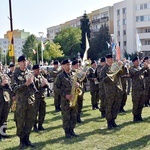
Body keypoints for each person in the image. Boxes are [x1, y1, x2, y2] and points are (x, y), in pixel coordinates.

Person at [13, 55, 36, 148]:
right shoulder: (15, 73)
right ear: (19, 63)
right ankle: (21, 140)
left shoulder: (29, 72)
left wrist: (33, 81)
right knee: (20, 122)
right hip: (21, 103)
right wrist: (26, 84)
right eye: (23, 61)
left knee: (29, 121)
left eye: (25, 61)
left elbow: (33, 86)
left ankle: (27, 138)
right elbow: (14, 88)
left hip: (30, 101)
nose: (25, 63)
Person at [54, 59, 79, 138]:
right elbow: (55, 88)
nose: (69, 66)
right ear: (63, 66)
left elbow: (78, 83)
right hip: (65, 100)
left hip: (73, 98)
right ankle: (67, 132)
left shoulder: (73, 74)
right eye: (67, 64)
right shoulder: (60, 76)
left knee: (73, 115)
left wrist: (78, 85)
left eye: (69, 64)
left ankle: (72, 130)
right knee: (66, 116)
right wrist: (65, 95)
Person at [101, 54, 124, 129]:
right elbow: (102, 80)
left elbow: (122, 73)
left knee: (116, 105)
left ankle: (113, 120)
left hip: (116, 90)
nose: (112, 59)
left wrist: (121, 66)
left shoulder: (115, 66)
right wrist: (109, 76)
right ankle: (109, 122)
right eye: (111, 58)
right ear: (107, 59)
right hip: (109, 91)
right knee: (109, 106)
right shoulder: (104, 69)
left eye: (112, 58)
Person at [129, 56, 148, 122]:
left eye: (138, 61)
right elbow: (136, 73)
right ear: (133, 62)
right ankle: (135, 117)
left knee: (141, 103)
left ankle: (139, 116)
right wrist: (143, 68)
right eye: (136, 61)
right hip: (136, 89)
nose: (138, 62)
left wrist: (147, 68)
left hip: (142, 89)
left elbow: (146, 74)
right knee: (136, 104)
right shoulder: (132, 68)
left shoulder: (140, 68)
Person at [32, 64, 47, 132]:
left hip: (42, 96)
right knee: (35, 112)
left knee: (42, 111)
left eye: (39, 69)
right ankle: (34, 125)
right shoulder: (32, 77)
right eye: (37, 69)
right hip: (36, 98)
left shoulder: (40, 76)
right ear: (34, 70)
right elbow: (34, 88)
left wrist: (45, 84)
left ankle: (40, 125)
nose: (39, 70)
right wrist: (41, 85)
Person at [0, 62, 12, 140]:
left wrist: (7, 82)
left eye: (1, 65)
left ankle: (3, 133)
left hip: (6, 99)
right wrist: (1, 84)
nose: (0, 67)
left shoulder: (4, 75)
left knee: (5, 118)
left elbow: (10, 82)